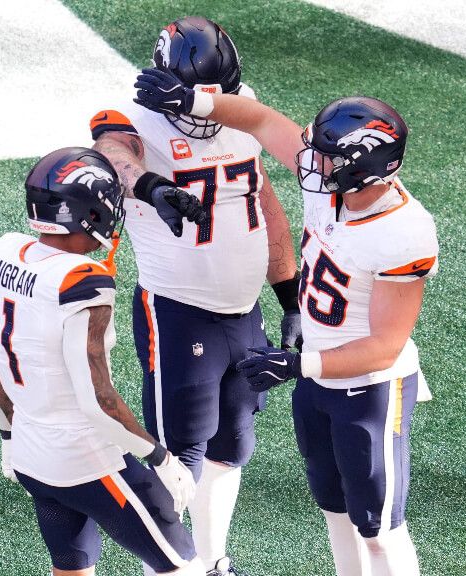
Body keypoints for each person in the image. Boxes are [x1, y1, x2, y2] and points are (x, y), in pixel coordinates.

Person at [134, 68, 440, 576]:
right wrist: (194, 99)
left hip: (370, 388)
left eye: (327, 154)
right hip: (318, 380)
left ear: (365, 168)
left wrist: (302, 364)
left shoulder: (404, 233)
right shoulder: (332, 187)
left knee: (381, 530)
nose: (310, 161)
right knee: (335, 513)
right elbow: (256, 118)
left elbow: (386, 345)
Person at [90, 17, 300, 576]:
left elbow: (264, 199)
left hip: (244, 311)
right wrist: (153, 188)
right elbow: (113, 152)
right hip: (179, 311)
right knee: (175, 457)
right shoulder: (129, 116)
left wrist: (290, 295)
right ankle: (170, 569)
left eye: (217, 93)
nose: (207, 105)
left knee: (233, 447)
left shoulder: (241, 106)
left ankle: (212, 560)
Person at [0, 146, 206, 576]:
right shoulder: (82, 281)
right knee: (182, 565)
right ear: (91, 212)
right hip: (81, 458)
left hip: (30, 455)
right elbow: (96, 399)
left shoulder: (5, 254)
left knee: (73, 567)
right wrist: (159, 458)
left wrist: (9, 438)